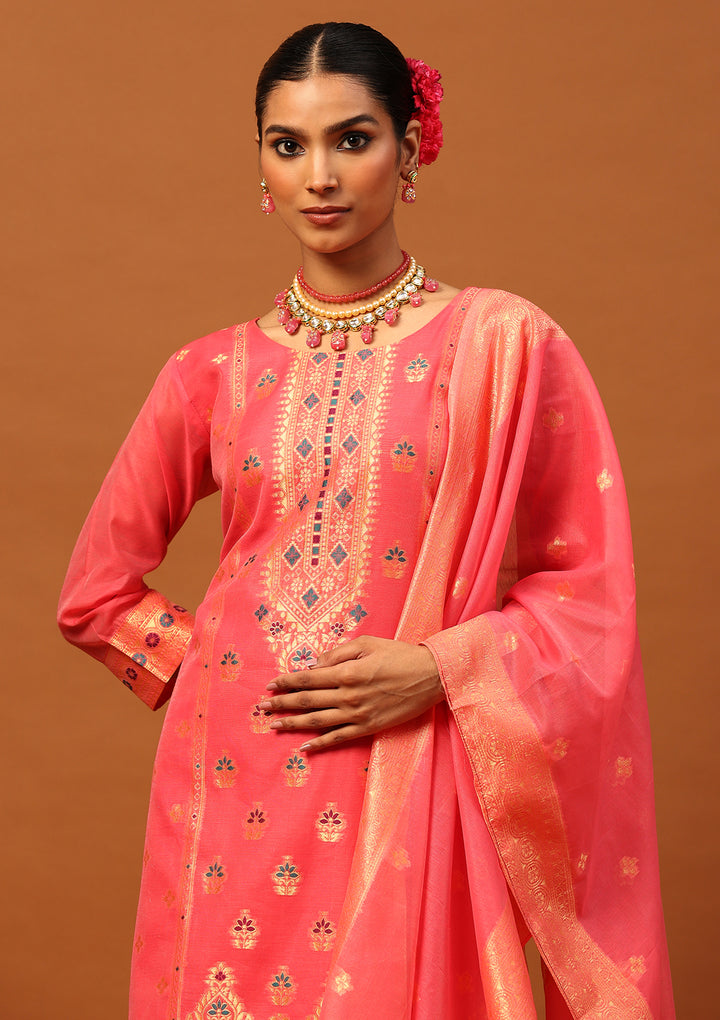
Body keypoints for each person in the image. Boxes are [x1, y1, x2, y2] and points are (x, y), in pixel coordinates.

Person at [58, 21, 674, 1020]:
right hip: (233, 776)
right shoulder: (209, 372)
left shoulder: (505, 346)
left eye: (353, 139)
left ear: (410, 146)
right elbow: (93, 594)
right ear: (261, 163)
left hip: (416, 764)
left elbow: (588, 595)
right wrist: (208, 671)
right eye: (288, 144)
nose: (320, 176)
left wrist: (442, 670)